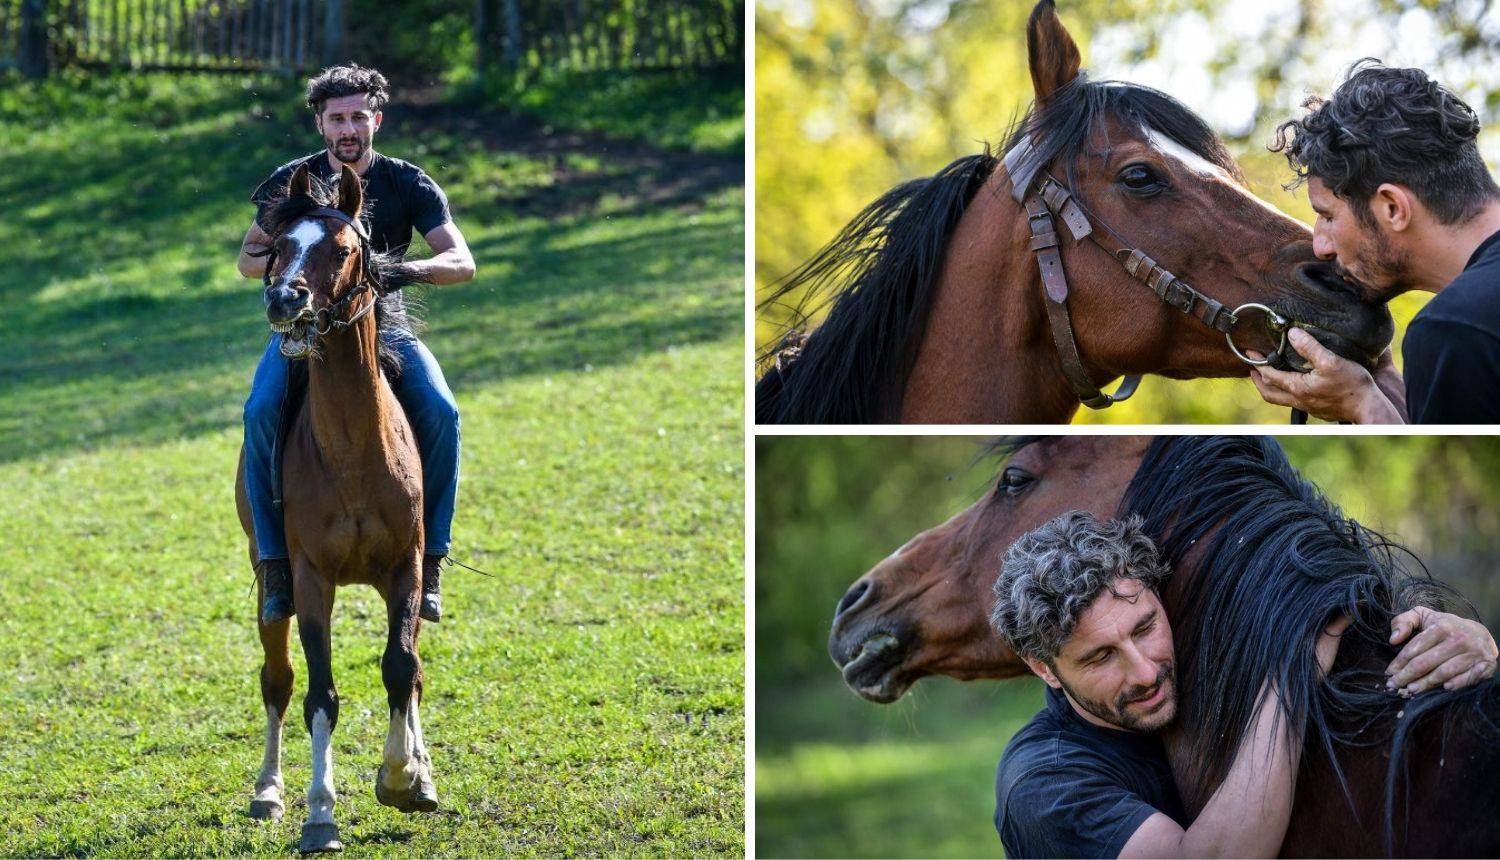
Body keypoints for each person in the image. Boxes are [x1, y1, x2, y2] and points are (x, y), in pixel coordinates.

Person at [990, 511, 1497, 858]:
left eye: (1145, 628)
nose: (1145, 672)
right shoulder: (1043, 784)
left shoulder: (1198, 670)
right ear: (1043, 667)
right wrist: (1290, 679)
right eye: (1100, 657)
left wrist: (1465, 641)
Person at [237, 63, 477, 625]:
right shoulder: (289, 182)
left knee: (442, 410)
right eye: (337, 117)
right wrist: (286, 264)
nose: (349, 128)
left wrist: (399, 270)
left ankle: (432, 555)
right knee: (260, 410)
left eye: (358, 117)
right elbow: (247, 261)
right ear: (320, 123)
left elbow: (462, 262)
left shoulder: (407, 182)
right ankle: (275, 563)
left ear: (377, 119)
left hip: (383, 326)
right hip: (306, 327)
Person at [1250, 60, 1500, 423]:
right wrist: (1396, 405)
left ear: (1393, 208)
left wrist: (1362, 404)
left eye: (1328, 216)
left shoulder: (1456, 333)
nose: (1321, 246)